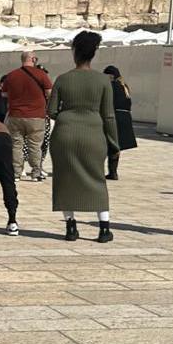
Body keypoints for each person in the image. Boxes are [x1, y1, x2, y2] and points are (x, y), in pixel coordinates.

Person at [47, 31, 118, 242]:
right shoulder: (103, 81)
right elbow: (109, 115)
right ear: (93, 53)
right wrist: (114, 142)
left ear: (75, 52)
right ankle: (104, 229)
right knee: (97, 179)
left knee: (65, 179)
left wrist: (67, 116)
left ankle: (70, 227)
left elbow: (51, 111)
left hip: (64, 135)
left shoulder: (62, 79)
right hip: (93, 134)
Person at [1, 51, 53, 181]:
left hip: (16, 115)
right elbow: (49, 92)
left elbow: (4, 94)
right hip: (36, 116)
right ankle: (36, 173)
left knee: (16, 145)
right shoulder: (41, 74)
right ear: (33, 59)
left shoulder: (12, 75)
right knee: (35, 145)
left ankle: (16, 173)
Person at [101, 65, 137, 180]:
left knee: (106, 143)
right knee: (116, 146)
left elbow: (106, 102)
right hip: (125, 117)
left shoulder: (111, 86)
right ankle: (113, 172)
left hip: (115, 116)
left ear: (110, 75)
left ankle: (104, 171)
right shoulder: (124, 86)